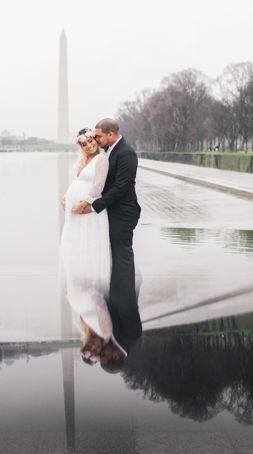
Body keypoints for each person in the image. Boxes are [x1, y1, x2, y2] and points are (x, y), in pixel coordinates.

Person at [72, 118, 143, 363]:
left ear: (111, 135)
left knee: (122, 255)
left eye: (99, 136)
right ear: (114, 356)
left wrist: (93, 206)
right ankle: (120, 289)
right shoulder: (128, 338)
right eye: (104, 356)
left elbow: (121, 187)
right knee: (116, 254)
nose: (96, 139)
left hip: (123, 212)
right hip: (114, 212)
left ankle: (124, 291)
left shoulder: (127, 154)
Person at [59, 127, 113, 360]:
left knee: (89, 244)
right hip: (77, 212)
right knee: (77, 245)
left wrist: (84, 203)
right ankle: (81, 275)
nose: (90, 146)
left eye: (91, 142)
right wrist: (67, 196)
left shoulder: (101, 159)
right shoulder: (103, 333)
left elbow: (98, 185)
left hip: (88, 212)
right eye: (85, 144)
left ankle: (85, 276)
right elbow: (79, 182)